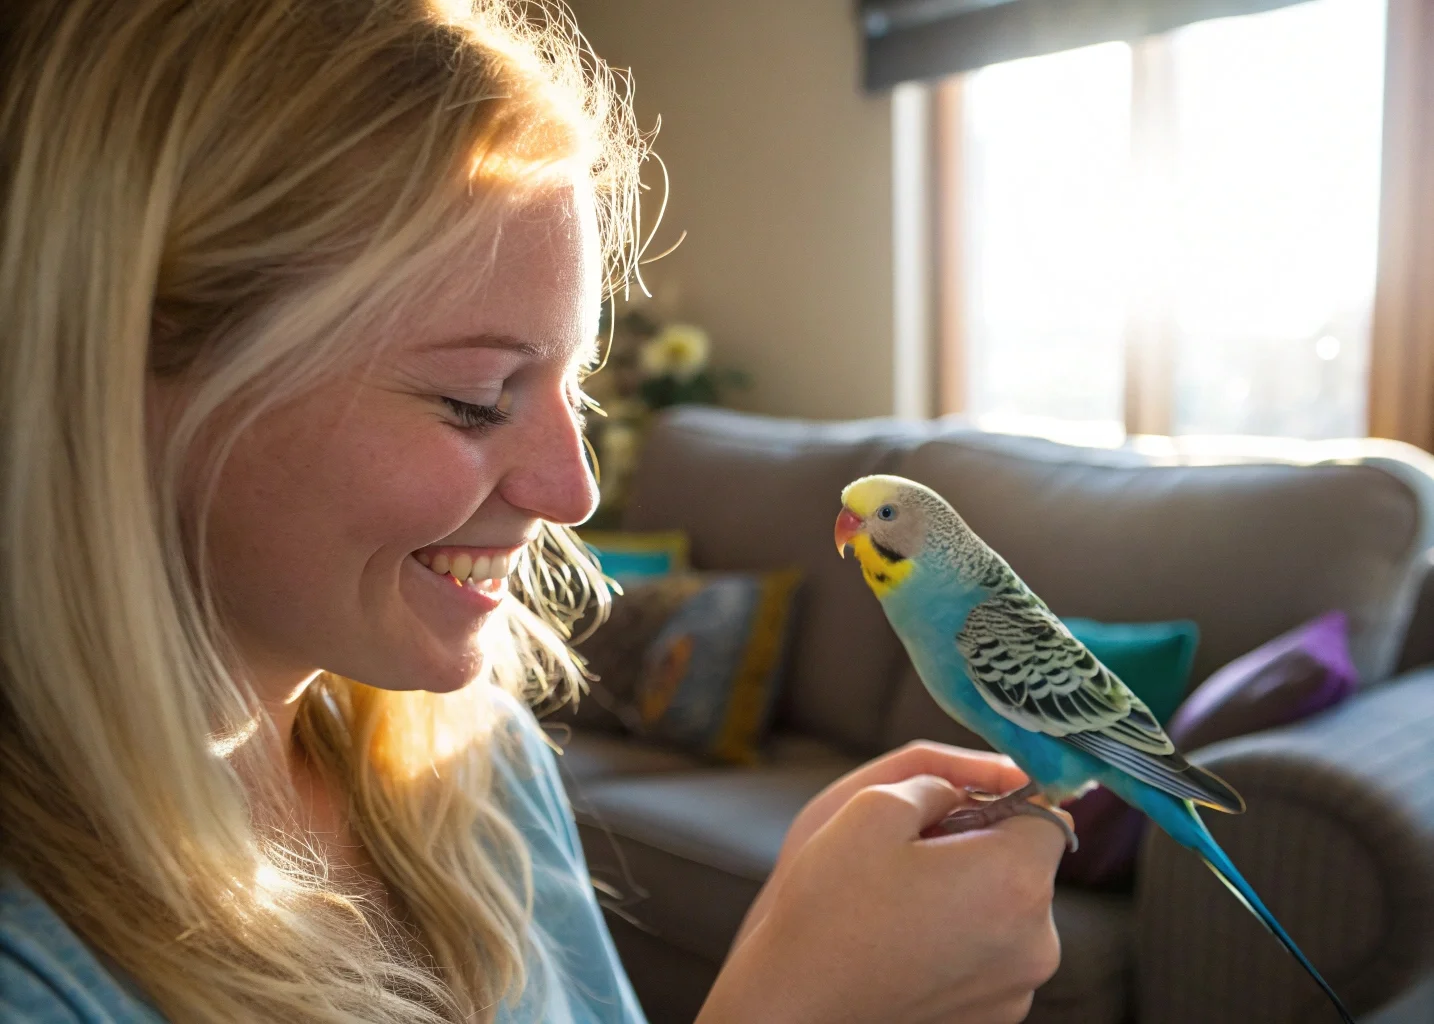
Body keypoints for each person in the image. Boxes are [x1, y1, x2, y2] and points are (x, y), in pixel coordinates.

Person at [0, 1, 1067, 1021]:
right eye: (475, 399)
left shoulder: (478, 775)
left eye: (577, 384)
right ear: (117, 381)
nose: (575, 491)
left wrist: (801, 949)